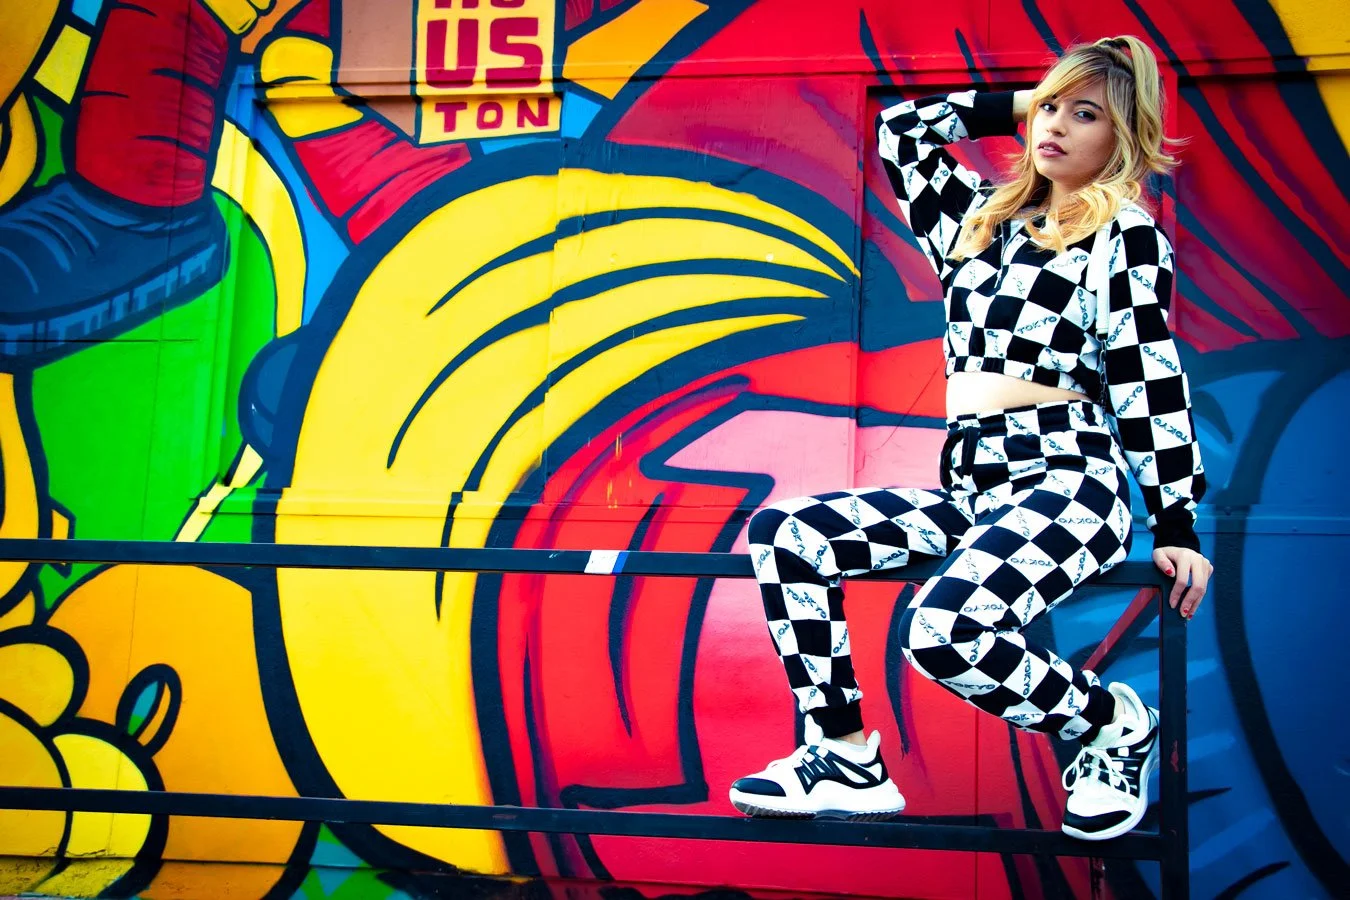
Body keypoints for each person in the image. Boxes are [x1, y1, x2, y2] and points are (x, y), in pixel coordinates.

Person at [728, 36, 1213, 841]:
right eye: (1050, 107)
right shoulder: (978, 223)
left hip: (1070, 482)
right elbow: (901, 133)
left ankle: (1108, 721)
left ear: (1123, 137)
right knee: (788, 534)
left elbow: (1146, 378)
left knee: (945, 631)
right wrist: (1033, 99)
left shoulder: (1122, 236)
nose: (1054, 125)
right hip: (977, 488)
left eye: (1083, 114)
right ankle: (844, 754)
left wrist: (1176, 520)